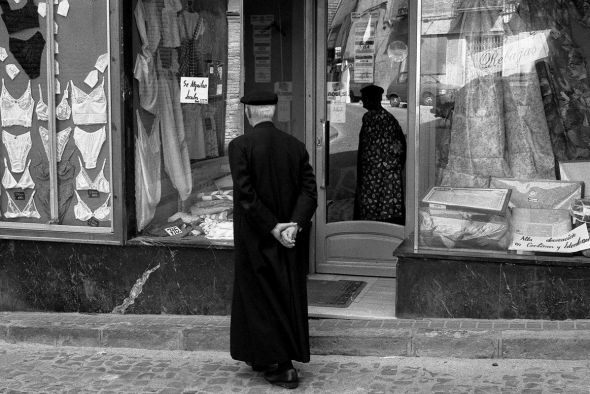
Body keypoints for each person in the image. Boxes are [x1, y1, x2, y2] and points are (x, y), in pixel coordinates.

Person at [228, 90, 318, 389]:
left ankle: (280, 365)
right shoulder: (295, 146)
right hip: (289, 238)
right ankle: (266, 357)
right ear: (273, 112)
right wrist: (293, 225)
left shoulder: (240, 146)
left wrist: (273, 227)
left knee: (258, 298)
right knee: (285, 294)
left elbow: (246, 195)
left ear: (248, 113)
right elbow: (309, 192)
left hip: (257, 236)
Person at [353, 84, 406, 225]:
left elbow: (366, 147)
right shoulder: (389, 118)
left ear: (372, 99)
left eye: (364, 98)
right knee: (386, 210)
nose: (362, 101)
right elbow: (400, 147)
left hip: (374, 174)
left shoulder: (370, 118)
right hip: (388, 174)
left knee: (371, 210)